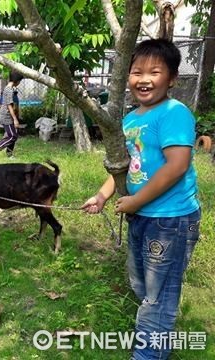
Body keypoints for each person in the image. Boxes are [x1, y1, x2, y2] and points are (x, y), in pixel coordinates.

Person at [82, 39, 201, 360]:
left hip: (170, 220)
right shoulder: (131, 119)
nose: (144, 79)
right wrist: (103, 195)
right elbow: (124, 167)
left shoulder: (174, 113)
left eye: (155, 71)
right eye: (136, 72)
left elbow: (177, 166)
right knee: (141, 283)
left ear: (172, 78)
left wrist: (136, 202)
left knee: (157, 297)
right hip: (142, 217)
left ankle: (149, 353)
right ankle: (157, 331)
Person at [0, 71, 23, 159]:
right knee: (13, 136)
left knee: (12, 134)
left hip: (8, 116)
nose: (19, 83)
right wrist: (15, 119)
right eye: (19, 81)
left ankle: (9, 154)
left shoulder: (8, 88)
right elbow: (9, 106)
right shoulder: (9, 90)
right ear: (16, 80)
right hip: (7, 117)